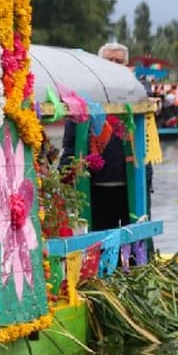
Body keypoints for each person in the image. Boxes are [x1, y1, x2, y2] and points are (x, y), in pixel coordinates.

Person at [60, 43, 130, 231]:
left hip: (129, 184)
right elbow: (71, 143)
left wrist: (147, 179)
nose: (114, 65)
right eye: (109, 61)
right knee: (99, 237)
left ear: (126, 65)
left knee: (133, 238)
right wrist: (63, 176)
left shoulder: (135, 93)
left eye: (119, 61)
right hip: (95, 186)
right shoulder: (86, 94)